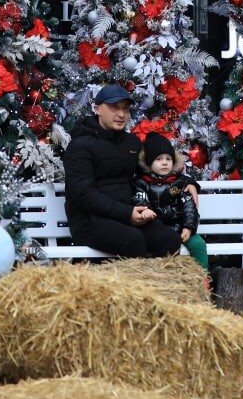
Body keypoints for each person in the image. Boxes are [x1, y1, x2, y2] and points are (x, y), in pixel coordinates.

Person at [62, 84, 183, 259]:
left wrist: (189, 184)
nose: (121, 115)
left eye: (125, 109)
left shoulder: (131, 143)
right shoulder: (80, 146)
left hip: (127, 215)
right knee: (132, 240)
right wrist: (126, 214)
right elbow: (83, 194)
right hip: (90, 220)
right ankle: (129, 286)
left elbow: (152, 172)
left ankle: (158, 284)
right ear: (97, 109)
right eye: (114, 108)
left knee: (168, 239)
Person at [134, 132, 209, 271]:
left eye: (168, 159)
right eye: (159, 159)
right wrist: (144, 209)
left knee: (198, 244)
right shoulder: (142, 183)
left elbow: (189, 206)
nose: (164, 162)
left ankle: (203, 278)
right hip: (157, 232)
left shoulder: (180, 183)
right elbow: (139, 197)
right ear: (149, 163)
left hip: (180, 229)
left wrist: (188, 227)